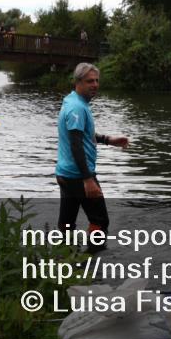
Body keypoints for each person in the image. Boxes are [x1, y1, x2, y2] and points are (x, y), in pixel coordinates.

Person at [56, 62, 129, 253]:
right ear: (78, 82)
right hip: (79, 176)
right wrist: (88, 179)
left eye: (96, 80)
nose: (95, 84)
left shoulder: (72, 101)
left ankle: (63, 262)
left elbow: (82, 136)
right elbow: (75, 144)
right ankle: (91, 263)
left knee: (67, 223)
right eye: (90, 81)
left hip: (66, 174)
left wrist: (108, 140)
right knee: (100, 221)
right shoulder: (77, 109)